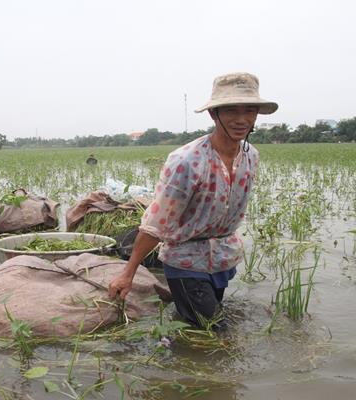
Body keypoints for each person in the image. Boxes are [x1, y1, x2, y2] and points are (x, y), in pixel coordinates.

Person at [108, 72, 278, 329]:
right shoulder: (187, 161)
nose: (241, 119)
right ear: (214, 114)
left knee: (198, 327)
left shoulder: (251, 156)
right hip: (186, 260)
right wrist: (127, 273)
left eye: (249, 110)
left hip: (223, 256)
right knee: (216, 331)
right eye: (231, 110)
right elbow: (156, 222)